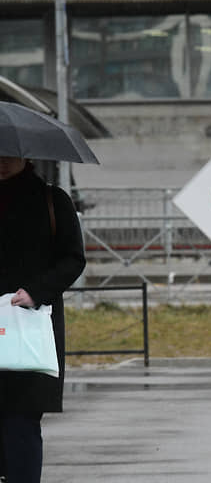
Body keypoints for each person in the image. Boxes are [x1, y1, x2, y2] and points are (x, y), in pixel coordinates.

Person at [0, 156, 86, 483]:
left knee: (21, 421)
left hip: (30, 326)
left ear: (26, 155)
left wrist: (36, 291)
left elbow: (73, 258)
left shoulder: (52, 200)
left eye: (8, 156)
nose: (2, 163)